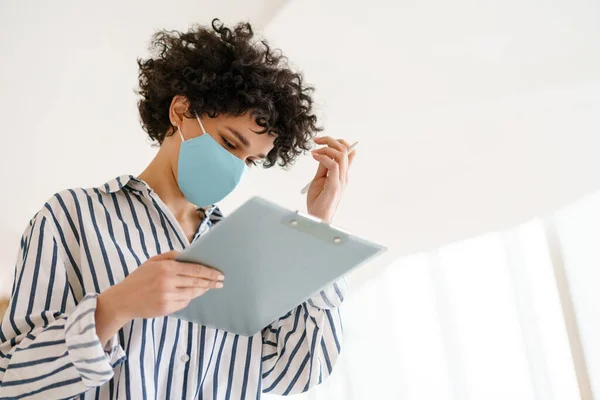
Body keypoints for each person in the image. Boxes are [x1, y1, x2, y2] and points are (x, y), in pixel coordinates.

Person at [0, 19, 355, 400]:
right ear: (181, 110)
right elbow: (12, 381)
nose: (236, 168)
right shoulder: (70, 218)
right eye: (230, 143)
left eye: (250, 160)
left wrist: (318, 227)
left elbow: (298, 371)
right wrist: (113, 307)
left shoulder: (248, 249)